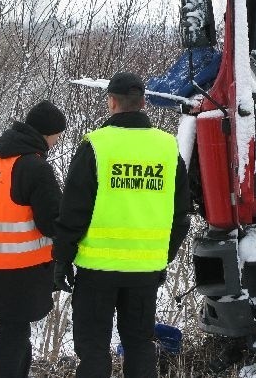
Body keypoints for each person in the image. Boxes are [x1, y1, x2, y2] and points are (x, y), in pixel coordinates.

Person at [53, 72, 190, 378]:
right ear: (143, 104)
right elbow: (182, 213)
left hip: (96, 271)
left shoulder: (97, 145)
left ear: (111, 102)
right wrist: (161, 255)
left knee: (93, 349)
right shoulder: (167, 148)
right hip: (144, 272)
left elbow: (74, 210)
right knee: (140, 344)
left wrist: (61, 259)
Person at [0, 100, 66, 378]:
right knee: (11, 338)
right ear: (47, 134)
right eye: (57, 137)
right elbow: (52, 222)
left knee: (14, 331)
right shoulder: (35, 167)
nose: (57, 143)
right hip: (25, 266)